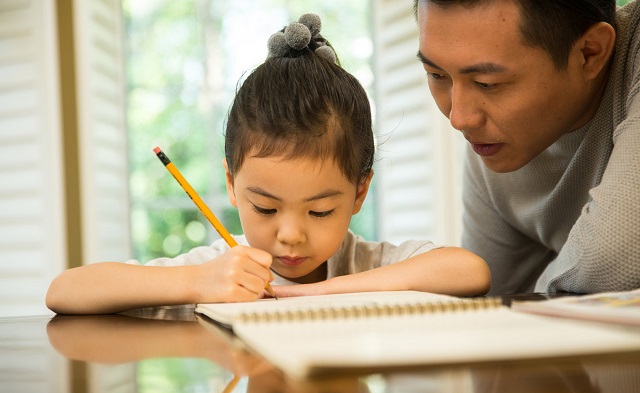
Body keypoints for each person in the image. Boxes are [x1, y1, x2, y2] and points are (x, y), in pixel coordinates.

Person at [46, 13, 490, 315]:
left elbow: (470, 271)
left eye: (319, 211)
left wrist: (314, 295)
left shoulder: (369, 265)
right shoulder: (217, 271)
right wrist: (197, 284)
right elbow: (64, 291)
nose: (290, 235)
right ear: (232, 184)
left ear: (359, 191)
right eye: (264, 208)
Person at [413, 0, 640, 295]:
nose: (459, 118)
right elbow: (485, 311)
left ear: (589, 53)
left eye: (487, 83)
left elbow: (614, 260)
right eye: (437, 75)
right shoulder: (495, 144)